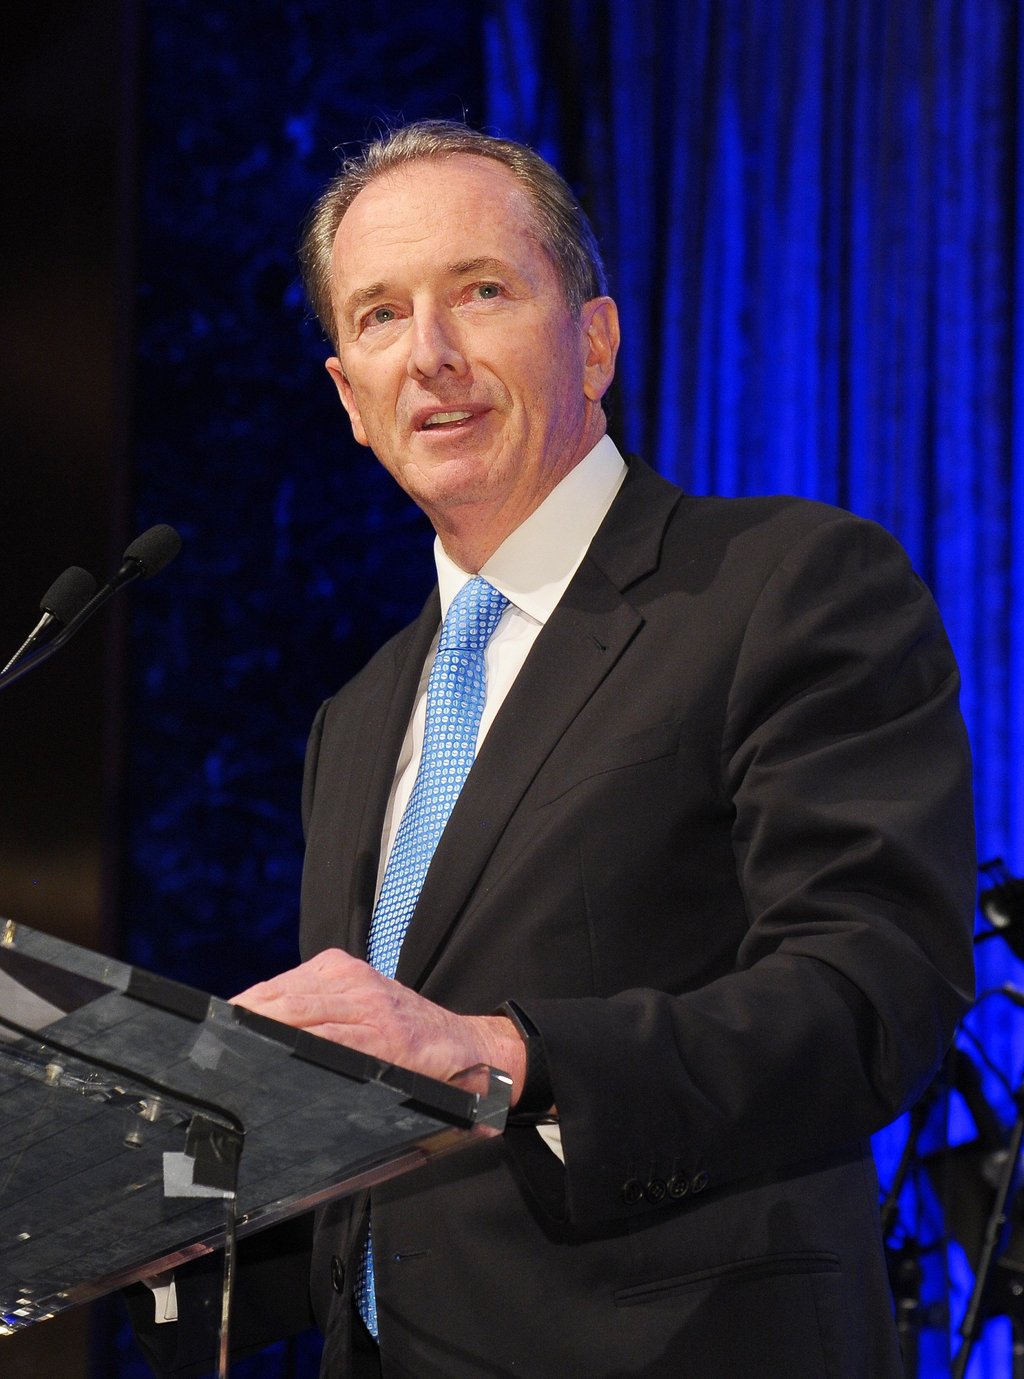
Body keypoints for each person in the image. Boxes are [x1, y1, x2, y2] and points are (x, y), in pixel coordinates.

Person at [132, 120, 976, 1378]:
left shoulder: (784, 584)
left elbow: (871, 989)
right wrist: (168, 1207)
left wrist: (507, 1053)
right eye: (377, 316)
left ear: (594, 340)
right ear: (347, 401)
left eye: (481, 291)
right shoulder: (358, 715)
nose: (430, 356)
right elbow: (379, 1125)